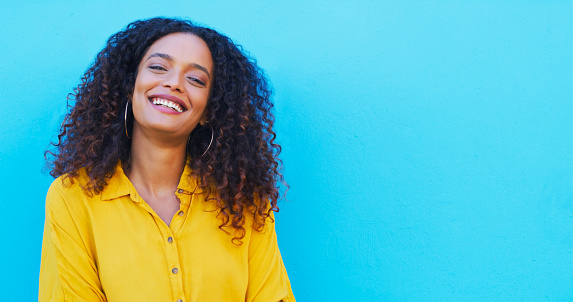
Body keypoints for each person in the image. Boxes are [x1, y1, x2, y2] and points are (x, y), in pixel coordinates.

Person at [39, 17, 294, 302]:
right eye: (158, 67)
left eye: (196, 79)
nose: (173, 83)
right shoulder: (73, 198)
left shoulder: (244, 202)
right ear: (129, 85)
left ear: (210, 109)